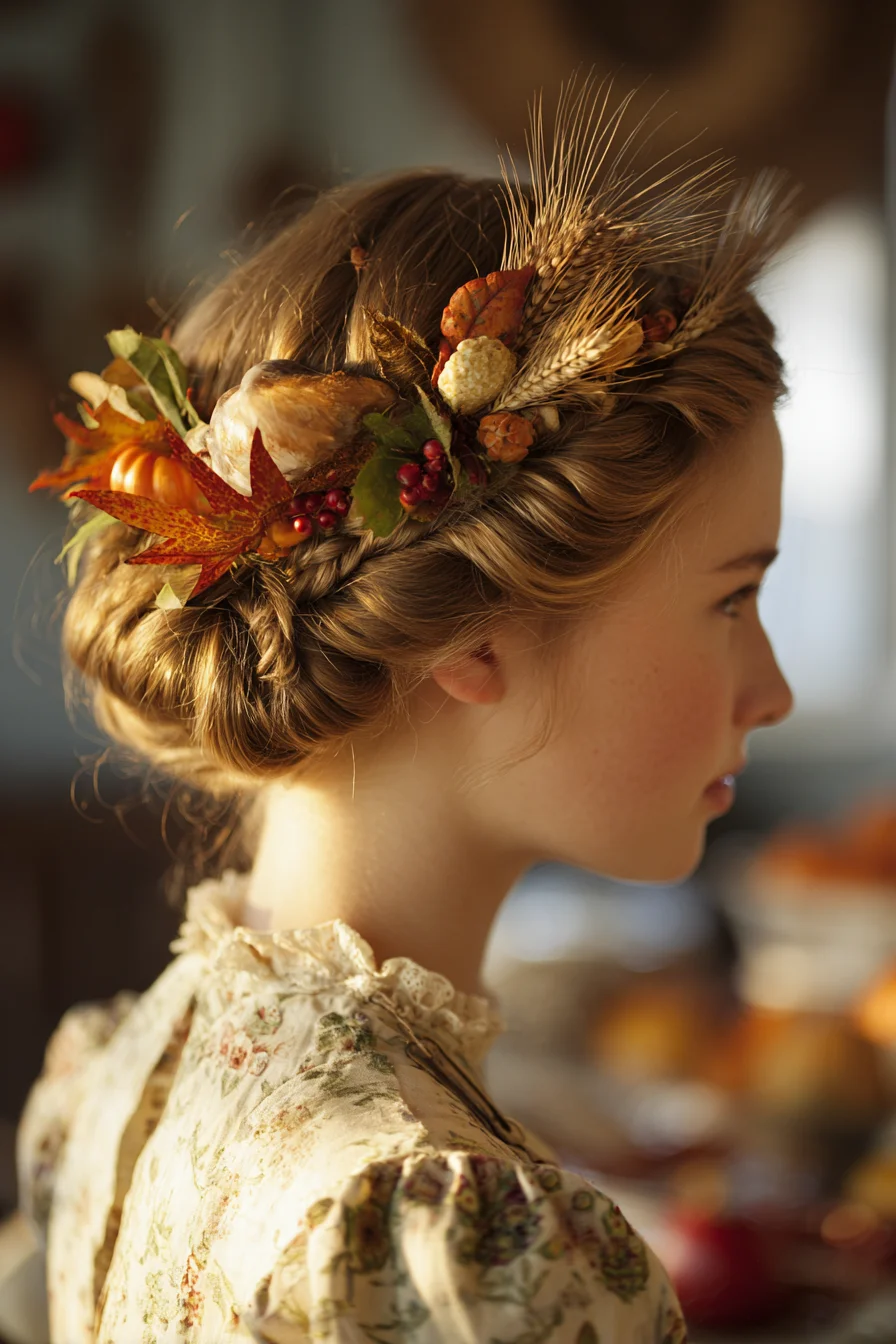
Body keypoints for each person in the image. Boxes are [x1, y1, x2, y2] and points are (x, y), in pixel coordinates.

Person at [9, 78, 794, 1342]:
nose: (773, 691)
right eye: (729, 599)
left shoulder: (115, 1076)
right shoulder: (471, 1258)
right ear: (476, 630)